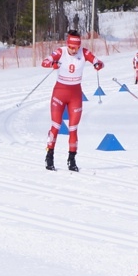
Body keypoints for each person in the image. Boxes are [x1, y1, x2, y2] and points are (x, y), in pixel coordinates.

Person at [40, 29, 103, 171]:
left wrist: (97, 64)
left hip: (75, 95)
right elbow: (44, 62)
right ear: (67, 44)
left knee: (73, 129)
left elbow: (98, 61)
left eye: (76, 48)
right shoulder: (60, 52)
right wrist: (52, 64)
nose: (74, 51)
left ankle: (72, 159)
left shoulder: (84, 52)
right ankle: (49, 156)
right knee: (56, 126)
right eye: (71, 47)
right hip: (59, 93)